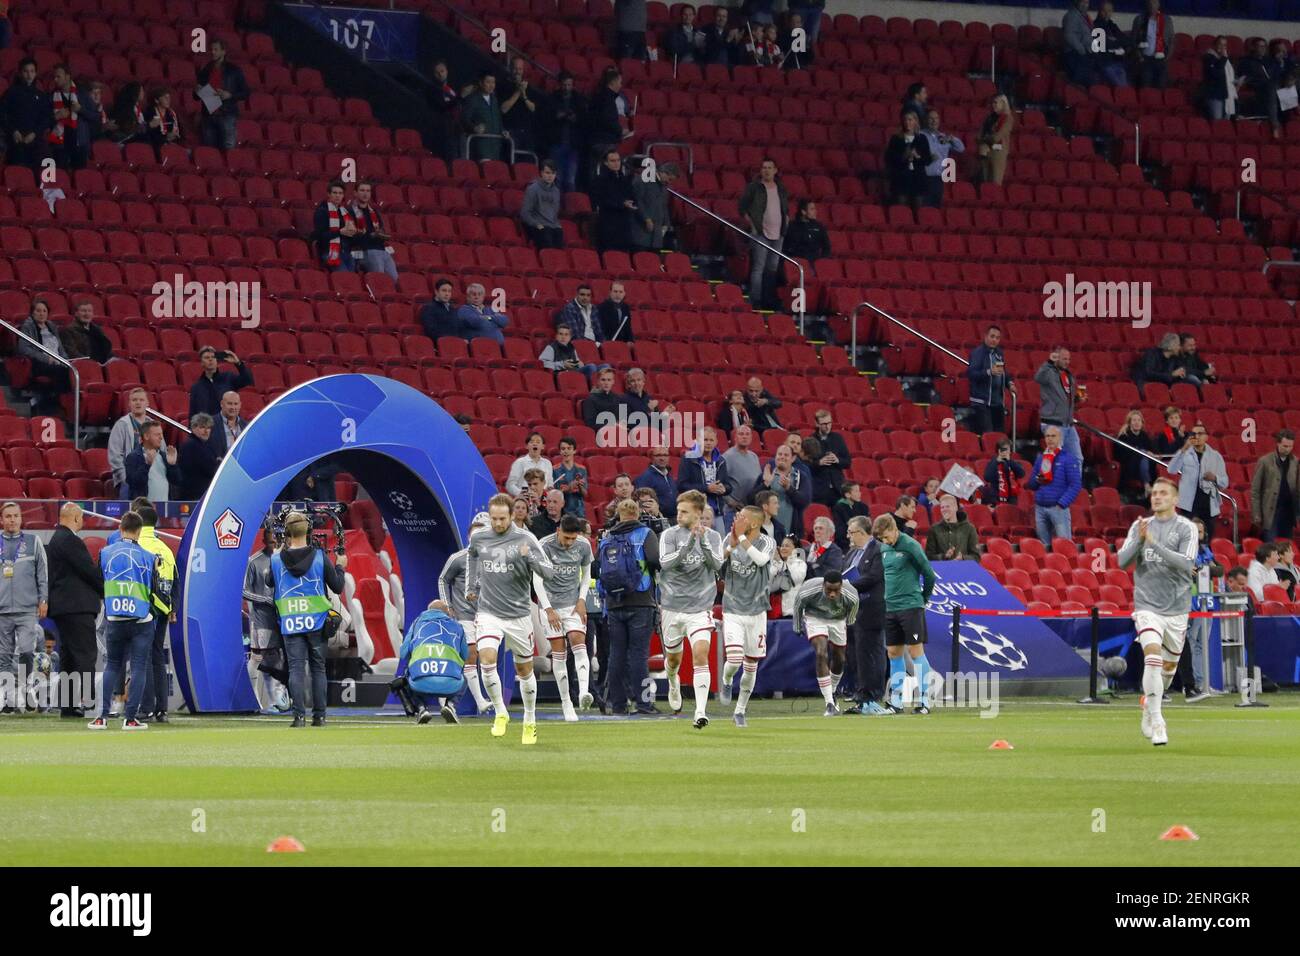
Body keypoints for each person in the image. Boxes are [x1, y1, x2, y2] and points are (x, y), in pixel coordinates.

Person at [466, 494, 561, 743]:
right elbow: (472, 555)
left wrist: (528, 556)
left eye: (502, 519)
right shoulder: (480, 537)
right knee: (486, 659)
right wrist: (471, 586)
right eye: (494, 518)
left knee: (524, 669)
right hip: (488, 612)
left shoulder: (525, 538)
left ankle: (529, 720)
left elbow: (548, 572)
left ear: (512, 516)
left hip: (518, 614)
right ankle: (500, 712)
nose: (498, 524)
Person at [1117, 477, 1197, 747]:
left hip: (1176, 608)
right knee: (1152, 656)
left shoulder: (1186, 528)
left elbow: (1185, 565)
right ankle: (1158, 720)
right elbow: (1121, 562)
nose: (1157, 497)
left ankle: (1148, 706)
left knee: (1166, 672)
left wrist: (1153, 544)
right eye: (1154, 493)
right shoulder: (1140, 526)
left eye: (1164, 493)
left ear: (1175, 499)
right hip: (1147, 605)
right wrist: (1140, 541)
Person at [265, 511, 347, 727]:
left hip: (290, 621)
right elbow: (338, 586)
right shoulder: (320, 557)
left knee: (296, 669)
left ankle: (299, 717)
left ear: (287, 533)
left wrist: (279, 551)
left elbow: (269, 581)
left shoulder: (275, 559)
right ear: (308, 530)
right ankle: (319, 717)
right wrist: (340, 566)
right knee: (318, 668)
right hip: (318, 622)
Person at [658, 490, 724, 728]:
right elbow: (665, 564)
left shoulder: (714, 536)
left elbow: (718, 565)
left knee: (700, 655)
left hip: (700, 608)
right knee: (674, 660)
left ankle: (700, 711)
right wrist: (686, 546)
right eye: (678, 510)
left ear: (698, 513)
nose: (679, 515)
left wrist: (703, 542)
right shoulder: (669, 535)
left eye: (684, 512)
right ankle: (673, 681)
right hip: (672, 608)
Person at [86, 512, 156, 730]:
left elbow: (100, 580)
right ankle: (130, 718)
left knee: (112, 666)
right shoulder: (148, 556)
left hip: (115, 616)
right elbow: (152, 588)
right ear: (140, 531)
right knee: (138, 668)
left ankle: (102, 717)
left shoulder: (105, 553)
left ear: (121, 528)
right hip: (141, 618)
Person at [596, 497, 660, 716]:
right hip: (641, 600)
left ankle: (619, 704)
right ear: (637, 513)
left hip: (614, 603)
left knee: (616, 655)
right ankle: (643, 703)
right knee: (638, 655)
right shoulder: (645, 534)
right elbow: (654, 560)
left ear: (620, 515)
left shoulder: (607, 537)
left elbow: (599, 568)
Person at [873, 512, 938, 714]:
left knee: (916, 651)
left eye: (886, 536)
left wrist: (923, 599)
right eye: (882, 539)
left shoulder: (911, 546)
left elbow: (929, 574)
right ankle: (896, 701)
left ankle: (925, 700)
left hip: (911, 605)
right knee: (893, 653)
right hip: (891, 607)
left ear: (894, 529)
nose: (885, 541)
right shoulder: (884, 547)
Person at [535, 515, 595, 721]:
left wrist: (581, 600)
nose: (569, 543)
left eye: (573, 538)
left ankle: (584, 693)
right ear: (558, 530)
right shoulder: (544, 546)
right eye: (566, 538)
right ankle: (566, 703)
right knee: (559, 654)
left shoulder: (584, 545)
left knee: (579, 641)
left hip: (572, 605)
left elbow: (586, 575)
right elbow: (537, 580)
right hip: (550, 606)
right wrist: (548, 609)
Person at [721, 505, 775, 727]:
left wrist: (741, 538)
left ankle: (740, 710)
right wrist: (731, 545)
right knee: (734, 660)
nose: (736, 519)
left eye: (741, 517)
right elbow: (717, 561)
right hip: (732, 608)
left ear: (753, 523)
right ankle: (726, 679)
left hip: (757, 611)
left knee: (751, 664)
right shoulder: (730, 537)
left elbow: (761, 560)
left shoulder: (767, 542)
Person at [46, 503, 101, 718]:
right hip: (76, 607)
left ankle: (68, 706)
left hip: (64, 608)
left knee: (69, 656)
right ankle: (89, 704)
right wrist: (108, 588)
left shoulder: (55, 540)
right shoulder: (70, 540)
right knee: (85, 654)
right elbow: (89, 570)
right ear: (76, 518)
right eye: (82, 519)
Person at [436, 512, 492, 716]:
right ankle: (479, 701)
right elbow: (443, 579)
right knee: (471, 655)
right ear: (469, 536)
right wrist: (447, 605)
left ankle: (447, 701)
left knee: (482, 659)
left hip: (486, 617)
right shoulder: (458, 559)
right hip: (464, 616)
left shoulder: (492, 559)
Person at [793, 570, 858, 717]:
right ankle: (829, 702)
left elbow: (851, 617)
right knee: (821, 653)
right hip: (815, 618)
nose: (833, 594)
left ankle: (832, 691)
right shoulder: (808, 590)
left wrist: (845, 624)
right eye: (829, 590)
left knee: (840, 658)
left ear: (842, 586)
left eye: (836, 590)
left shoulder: (852, 595)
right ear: (823, 585)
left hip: (838, 619)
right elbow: (798, 605)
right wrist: (797, 626)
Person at [841, 516, 888, 713]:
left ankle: (873, 695)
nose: (848, 536)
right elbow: (844, 573)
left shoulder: (878, 549)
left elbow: (874, 576)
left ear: (862, 532)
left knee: (872, 653)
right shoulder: (852, 553)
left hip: (873, 609)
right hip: (855, 610)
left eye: (851, 532)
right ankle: (862, 695)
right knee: (857, 654)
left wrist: (847, 585)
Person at [393, 601, 468, 724]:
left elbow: (403, 653)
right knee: (464, 678)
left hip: (419, 684)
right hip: (451, 684)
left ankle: (422, 708)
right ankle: (450, 705)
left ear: (428, 611)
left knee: (407, 675)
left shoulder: (417, 624)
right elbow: (465, 655)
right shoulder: (458, 627)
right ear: (447, 612)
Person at [134, 505, 176, 723]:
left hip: (143, 608)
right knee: (158, 657)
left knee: (144, 657)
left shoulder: (138, 546)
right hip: (163, 609)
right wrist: (172, 608)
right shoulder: (165, 548)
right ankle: (162, 709)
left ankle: (146, 707)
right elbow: (175, 579)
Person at [243, 517, 287, 713]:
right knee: (258, 658)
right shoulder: (254, 561)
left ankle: (278, 701)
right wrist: (264, 599)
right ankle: (252, 700)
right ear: (264, 541)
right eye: (270, 542)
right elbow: (243, 591)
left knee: (278, 659)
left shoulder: (285, 559)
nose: (273, 545)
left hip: (282, 617)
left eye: (276, 542)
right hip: (261, 619)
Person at [738, 158, 789, 312]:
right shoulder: (754, 187)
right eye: (763, 167)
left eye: (769, 167)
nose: (766, 170)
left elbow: (784, 208)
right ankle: (756, 299)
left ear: (775, 170)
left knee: (772, 267)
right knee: (759, 267)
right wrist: (753, 226)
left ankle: (769, 298)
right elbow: (742, 208)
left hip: (778, 232)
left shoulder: (781, 188)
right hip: (761, 232)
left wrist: (786, 222)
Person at [1166, 423, 1228, 539]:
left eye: (1200, 433)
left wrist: (1215, 478)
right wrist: (1184, 448)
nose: (1197, 436)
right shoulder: (1186, 453)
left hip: (1208, 503)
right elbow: (1171, 469)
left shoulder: (1215, 456)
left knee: (1207, 538)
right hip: (1188, 504)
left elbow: (1225, 482)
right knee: (1186, 537)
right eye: (1194, 434)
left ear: (1207, 437)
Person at [1026, 425, 1082, 547]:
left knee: (1064, 546)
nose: (1050, 439)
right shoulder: (1040, 459)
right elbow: (1031, 484)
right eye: (1047, 436)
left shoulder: (1068, 458)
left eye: (1053, 436)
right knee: (1044, 547)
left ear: (1059, 438)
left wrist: (1062, 503)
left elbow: (1076, 484)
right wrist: (1037, 480)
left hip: (1058, 509)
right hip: (1040, 508)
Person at [17, 298, 71, 414]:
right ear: (32, 312)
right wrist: (46, 359)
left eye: (44, 311)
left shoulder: (51, 326)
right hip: (39, 363)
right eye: (38, 311)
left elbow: (60, 347)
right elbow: (24, 348)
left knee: (70, 370)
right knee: (61, 372)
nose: (41, 314)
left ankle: (56, 402)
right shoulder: (28, 326)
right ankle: (53, 403)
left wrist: (67, 360)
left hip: (57, 362)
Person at [194, 37, 249, 150]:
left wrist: (230, 95)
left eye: (216, 49)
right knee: (209, 150)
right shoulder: (206, 70)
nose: (213, 52)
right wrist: (197, 91)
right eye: (211, 49)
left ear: (223, 51)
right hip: (208, 114)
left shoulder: (234, 70)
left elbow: (246, 92)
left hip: (227, 114)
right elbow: (195, 96)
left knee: (228, 148)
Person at [1034, 346, 1084, 463]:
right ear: (1057, 358)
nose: (1067, 362)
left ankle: (1075, 482)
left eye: (1068, 359)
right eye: (1064, 359)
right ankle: (1056, 481)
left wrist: (1076, 399)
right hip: (1053, 423)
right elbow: (1038, 377)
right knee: (1056, 459)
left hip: (1068, 424)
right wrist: (1049, 362)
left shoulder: (1069, 376)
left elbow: (1065, 400)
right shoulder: (1049, 372)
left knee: (1077, 459)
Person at [677, 427, 732, 531]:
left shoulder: (721, 460)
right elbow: (681, 485)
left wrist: (724, 489)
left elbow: (729, 486)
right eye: (705, 440)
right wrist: (706, 488)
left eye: (711, 440)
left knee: (718, 544)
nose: (708, 443)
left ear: (716, 442)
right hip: (696, 511)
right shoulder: (688, 458)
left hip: (717, 512)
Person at [1250, 430, 1299, 542]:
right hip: (1270, 511)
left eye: (1290, 446)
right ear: (1278, 443)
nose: (1288, 449)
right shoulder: (1265, 461)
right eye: (1285, 446)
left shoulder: (1295, 462)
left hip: (1288, 511)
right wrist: (1256, 514)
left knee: (1286, 547)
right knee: (1270, 546)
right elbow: (1255, 490)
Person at [0, 58, 49, 169]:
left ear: (36, 73)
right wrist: (13, 131)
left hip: (35, 143)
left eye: (32, 71)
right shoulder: (11, 92)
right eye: (26, 71)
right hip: (15, 141)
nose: (29, 75)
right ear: (20, 73)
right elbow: (2, 114)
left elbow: (45, 119)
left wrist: (34, 133)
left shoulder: (41, 96)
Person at [347, 181, 398, 280]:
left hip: (382, 250)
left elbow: (381, 230)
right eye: (362, 190)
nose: (365, 193)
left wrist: (380, 235)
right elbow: (351, 236)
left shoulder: (374, 212)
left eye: (368, 191)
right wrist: (371, 236)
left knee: (394, 279)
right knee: (381, 279)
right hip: (365, 250)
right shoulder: (349, 211)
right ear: (355, 193)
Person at [590, 149, 638, 253]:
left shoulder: (625, 180)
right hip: (608, 223)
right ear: (606, 163)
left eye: (618, 160)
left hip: (624, 223)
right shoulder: (599, 180)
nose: (616, 163)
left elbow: (632, 196)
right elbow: (601, 200)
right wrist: (621, 203)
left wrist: (633, 204)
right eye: (612, 161)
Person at [885, 110, 933, 209]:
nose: (907, 122)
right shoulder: (896, 139)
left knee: (918, 208)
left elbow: (927, 159)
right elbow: (889, 158)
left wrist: (917, 156)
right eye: (905, 120)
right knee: (900, 208)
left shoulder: (922, 139)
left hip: (918, 179)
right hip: (901, 179)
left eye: (910, 120)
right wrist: (903, 156)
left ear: (916, 121)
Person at [761, 444, 810, 540]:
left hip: (790, 532)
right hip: (765, 531)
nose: (782, 457)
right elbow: (751, 499)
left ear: (793, 458)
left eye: (786, 455)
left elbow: (804, 502)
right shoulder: (767, 474)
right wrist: (765, 484)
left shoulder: (800, 477)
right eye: (779, 454)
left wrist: (789, 489)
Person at [190, 345, 253, 418]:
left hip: (229, 426)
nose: (210, 359)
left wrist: (238, 363)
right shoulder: (196, 387)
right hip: (208, 427)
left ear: (217, 360)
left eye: (213, 357)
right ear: (201, 363)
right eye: (207, 357)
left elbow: (248, 380)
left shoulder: (228, 378)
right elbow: (193, 414)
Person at [967, 326, 1009, 435]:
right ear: (985, 336)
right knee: (988, 435)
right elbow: (971, 374)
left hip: (997, 402)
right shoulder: (977, 353)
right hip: (982, 402)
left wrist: (1010, 383)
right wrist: (988, 372)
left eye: (998, 338)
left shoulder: (999, 354)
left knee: (1000, 435)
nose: (994, 340)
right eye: (992, 336)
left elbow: (1004, 372)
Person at [124, 421, 181, 502]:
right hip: (143, 509)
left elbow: (177, 481)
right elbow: (134, 483)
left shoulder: (164, 456)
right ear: (146, 436)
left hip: (165, 507)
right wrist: (147, 465)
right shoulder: (133, 457)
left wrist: (172, 465)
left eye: (161, 434)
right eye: (157, 434)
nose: (161, 437)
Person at [920, 108, 964, 207]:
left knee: (936, 208)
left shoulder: (943, 136)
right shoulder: (921, 135)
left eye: (936, 118)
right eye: (931, 118)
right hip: (924, 178)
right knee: (925, 209)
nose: (934, 121)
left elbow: (961, 148)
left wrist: (952, 138)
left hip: (939, 179)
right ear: (926, 120)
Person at [631, 160, 677, 251]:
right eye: (669, 179)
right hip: (640, 229)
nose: (669, 182)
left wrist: (666, 224)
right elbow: (637, 201)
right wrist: (646, 219)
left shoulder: (664, 186)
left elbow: (664, 206)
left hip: (657, 233)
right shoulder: (643, 180)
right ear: (663, 173)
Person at [462, 71, 506, 162]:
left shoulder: (494, 99)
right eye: (488, 82)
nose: (491, 85)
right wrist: (474, 128)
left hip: (495, 145)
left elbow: (498, 118)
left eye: (493, 82)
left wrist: (503, 130)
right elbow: (464, 119)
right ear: (481, 83)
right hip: (481, 145)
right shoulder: (473, 99)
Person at [313, 181, 357, 271]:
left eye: (340, 193)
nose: (338, 196)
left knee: (353, 280)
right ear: (329, 194)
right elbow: (320, 236)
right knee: (345, 279)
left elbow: (350, 235)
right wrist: (340, 232)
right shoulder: (322, 211)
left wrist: (354, 232)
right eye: (335, 193)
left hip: (347, 253)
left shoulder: (345, 212)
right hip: (329, 253)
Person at [521, 160, 565, 249]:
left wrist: (557, 225)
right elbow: (525, 213)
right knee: (546, 239)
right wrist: (537, 224)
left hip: (552, 225)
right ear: (541, 173)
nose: (550, 176)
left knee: (559, 243)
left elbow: (554, 213)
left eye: (553, 173)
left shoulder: (556, 191)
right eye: (547, 173)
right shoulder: (532, 189)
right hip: (538, 225)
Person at [1116, 409, 1156, 504]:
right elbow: (1121, 454)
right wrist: (1143, 452)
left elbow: (1152, 450)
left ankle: (1149, 486)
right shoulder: (1124, 436)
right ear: (1129, 423)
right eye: (1134, 420)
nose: (1137, 423)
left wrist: (1148, 452)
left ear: (1142, 423)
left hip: (1143, 465)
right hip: (1129, 465)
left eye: (1139, 420)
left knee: (1145, 455)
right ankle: (1147, 485)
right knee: (1143, 453)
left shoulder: (1144, 435)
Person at [1131, 0, 1174, 90]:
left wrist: (1167, 56)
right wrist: (1140, 56)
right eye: (1150, 3)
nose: (1152, 5)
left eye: (1154, 3)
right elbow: (1134, 40)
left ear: (1158, 4)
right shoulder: (1139, 20)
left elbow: (1171, 40)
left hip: (1161, 59)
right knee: (1146, 85)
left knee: (1160, 86)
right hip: (1145, 58)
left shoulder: (1166, 20)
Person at [178, 413, 220, 500]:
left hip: (203, 493)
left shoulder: (207, 445)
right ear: (193, 428)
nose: (206, 431)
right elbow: (210, 468)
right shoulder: (191, 445)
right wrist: (218, 463)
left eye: (208, 428)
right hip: (194, 495)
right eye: (202, 427)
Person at [926, 494, 980, 561]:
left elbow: (976, 556)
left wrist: (963, 558)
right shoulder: (934, 529)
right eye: (942, 507)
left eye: (947, 506)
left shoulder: (969, 528)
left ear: (956, 507)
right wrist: (944, 556)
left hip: (963, 569)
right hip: (942, 569)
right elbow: (928, 557)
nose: (944, 510)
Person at [977, 93, 1014, 185]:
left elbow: (997, 137)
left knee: (995, 181)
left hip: (998, 151)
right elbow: (979, 135)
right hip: (985, 151)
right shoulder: (989, 118)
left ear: (1003, 103)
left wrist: (984, 139)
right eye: (992, 103)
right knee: (984, 180)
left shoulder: (1008, 118)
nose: (993, 105)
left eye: (995, 103)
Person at [1202, 36, 1240, 120]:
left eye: (1224, 45)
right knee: (1217, 120)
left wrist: (1236, 82)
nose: (1222, 47)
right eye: (1220, 44)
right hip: (1214, 95)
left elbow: (1228, 77)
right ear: (1215, 45)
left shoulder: (1226, 60)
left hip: (1226, 94)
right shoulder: (1209, 57)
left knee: (1226, 121)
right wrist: (1223, 58)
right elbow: (1215, 73)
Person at [505, 433, 553, 497]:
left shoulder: (547, 463)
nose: (535, 444)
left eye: (538, 442)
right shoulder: (520, 462)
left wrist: (550, 489)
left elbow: (550, 483)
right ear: (527, 446)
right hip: (525, 499)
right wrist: (522, 494)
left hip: (543, 500)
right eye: (532, 442)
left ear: (543, 446)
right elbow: (510, 485)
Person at [207, 390, 248, 462]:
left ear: (240, 405)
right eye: (229, 404)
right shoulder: (209, 424)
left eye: (236, 404)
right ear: (222, 404)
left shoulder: (246, 426)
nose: (233, 407)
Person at [552, 437, 587, 517]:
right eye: (563, 448)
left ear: (574, 450)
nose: (566, 451)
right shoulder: (554, 470)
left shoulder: (582, 469)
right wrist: (570, 486)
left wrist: (580, 486)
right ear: (560, 451)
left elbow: (585, 494)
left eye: (569, 448)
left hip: (579, 511)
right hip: (562, 512)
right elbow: (554, 494)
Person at [636, 447, 678, 515]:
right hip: (660, 519)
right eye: (658, 455)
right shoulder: (646, 477)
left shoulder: (670, 475)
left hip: (675, 517)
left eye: (665, 455)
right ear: (652, 458)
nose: (662, 458)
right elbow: (643, 502)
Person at [983, 440, 1025, 506]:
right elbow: (987, 477)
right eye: (1003, 449)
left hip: (1011, 499)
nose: (1005, 452)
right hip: (995, 498)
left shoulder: (1013, 463)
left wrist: (1009, 461)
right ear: (999, 451)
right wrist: (996, 461)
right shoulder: (993, 463)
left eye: (1008, 449)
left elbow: (1021, 474)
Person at [1062, 0, 1094, 87]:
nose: (1085, 5)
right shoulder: (1072, 16)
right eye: (1082, 2)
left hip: (1084, 53)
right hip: (1075, 54)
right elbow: (1069, 36)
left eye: (1087, 2)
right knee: (1080, 83)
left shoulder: (1084, 17)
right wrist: (1082, 50)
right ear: (1076, 2)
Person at [144, 87, 181, 161]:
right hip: (155, 145)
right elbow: (150, 134)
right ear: (156, 100)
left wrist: (174, 135)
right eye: (165, 98)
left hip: (169, 144)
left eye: (169, 97)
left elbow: (175, 131)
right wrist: (165, 138)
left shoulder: (171, 113)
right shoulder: (149, 112)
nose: (168, 100)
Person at [832, 481, 871, 550]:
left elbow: (868, 525)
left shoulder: (863, 507)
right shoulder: (839, 508)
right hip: (846, 542)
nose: (860, 493)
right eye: (856, 491)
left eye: (859, 491)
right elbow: (840, 530)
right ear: (847, 495)